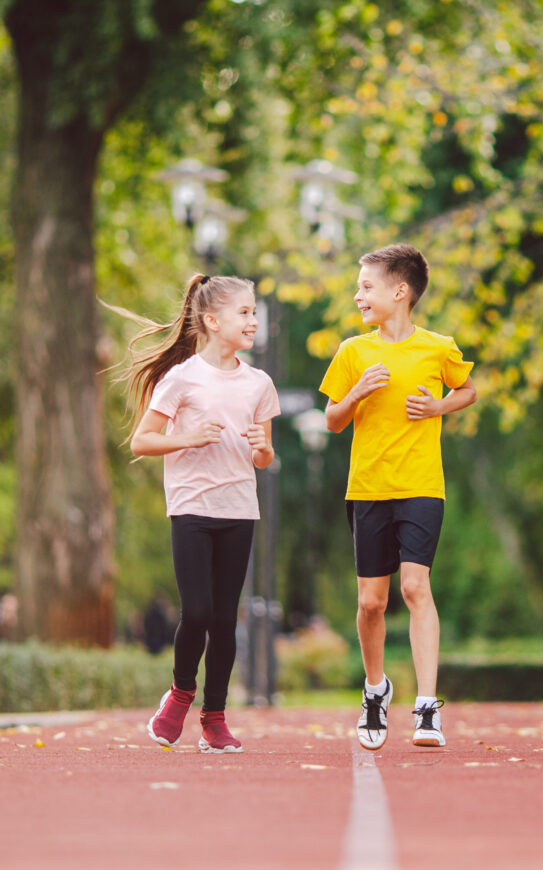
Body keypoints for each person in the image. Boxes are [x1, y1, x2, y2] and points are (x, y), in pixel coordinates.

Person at [319, 244, 477, 750]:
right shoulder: (353, 351)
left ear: (400, 291)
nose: (358, 294)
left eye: (367, 286)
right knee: (371, 602)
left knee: (414, 589)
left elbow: (468, 390)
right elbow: (332, 420)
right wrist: (357, 392)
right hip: (368, 488)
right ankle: (375, 690)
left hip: (422, 487)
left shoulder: (438, 348)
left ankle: (426, 707)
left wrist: (439, 406)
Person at [125, 273, 280, 753]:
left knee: (224, 620)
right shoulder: (183, 377)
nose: (253, 321)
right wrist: (188, 438)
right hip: (192, 506)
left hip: (238, 508)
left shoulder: (259, 383)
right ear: (212, 321)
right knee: (196, 610)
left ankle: (214, 719)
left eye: (254, 312)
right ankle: (179, 695)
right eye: (245, 313)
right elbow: (142, 441)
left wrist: (262, 450)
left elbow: (265, 456)